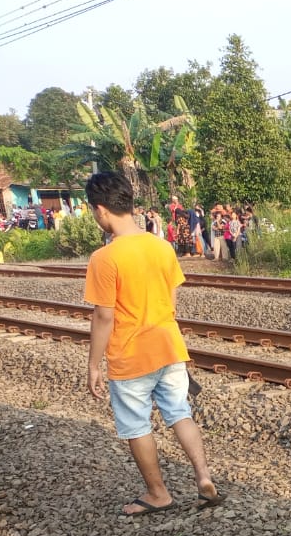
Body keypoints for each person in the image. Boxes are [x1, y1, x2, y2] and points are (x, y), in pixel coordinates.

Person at [82, 171, 225, 515]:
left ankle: (158, 493)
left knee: (136, 425)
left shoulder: (104, 259)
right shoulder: (161, 246)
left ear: (101, 210)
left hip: (131, 355)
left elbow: (104, 317)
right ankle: (203, 476)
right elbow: (171, 299)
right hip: (169, 346)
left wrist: (93, 365)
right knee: (179, 412)